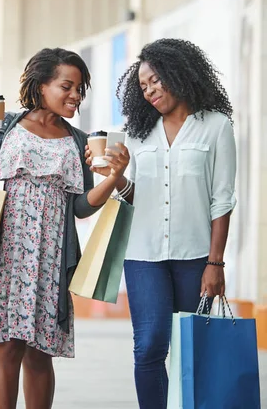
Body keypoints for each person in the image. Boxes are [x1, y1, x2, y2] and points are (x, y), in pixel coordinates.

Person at [0, 47, 129, 409]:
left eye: (80, 89)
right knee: (5, 347)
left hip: (51, 257)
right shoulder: (4, 127)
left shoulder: (79, 140)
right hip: (5, 253)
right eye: (67, 86)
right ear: (40, 85)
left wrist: (114, 177)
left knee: (41, 351)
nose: (75, 96)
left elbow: (82, 206)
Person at [86, 38, 236, 409]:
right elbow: (133, 194)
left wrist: (215, 264)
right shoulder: (137, 133)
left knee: (189, 351)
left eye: (155, 80)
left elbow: (222, 200)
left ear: (179, 73)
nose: (150, 90)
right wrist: (117, 176)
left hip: (195, 255)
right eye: (143, 86)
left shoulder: (215, 127)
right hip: (143, 254)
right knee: (150, 345)